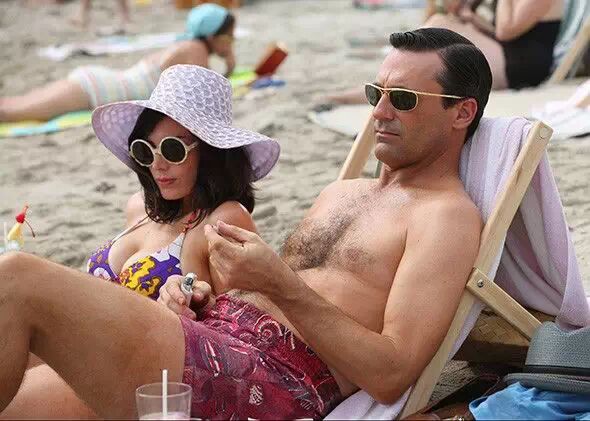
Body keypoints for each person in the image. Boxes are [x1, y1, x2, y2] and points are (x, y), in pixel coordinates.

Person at [0, 27, 489, 419]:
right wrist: (198, 297)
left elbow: (392, 374)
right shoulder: (341, 193)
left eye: (402, 98)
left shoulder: (446, 216)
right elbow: (275, 293)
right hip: (208, 338)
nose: (378, 111)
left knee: (17, 278)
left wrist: (279, 284)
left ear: (461, 112)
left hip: (270, 380)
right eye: (375, 93)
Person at [0, 64, 280, 419]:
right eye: (146, 151)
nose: (157, 165)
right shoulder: (139, 208)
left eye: (173, 150)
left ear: (210, 151)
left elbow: (243, 330)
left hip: (132, 371)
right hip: (83, 347)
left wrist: (193, 298)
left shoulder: (222, 219)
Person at [0, 3, 236, 123]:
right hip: (97, 90)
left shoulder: (186, 45)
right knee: (13, 112)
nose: (232, 41)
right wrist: (229, 62)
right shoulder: (195, 50)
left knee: (17, 104)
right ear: (212, 36)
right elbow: (206, 96)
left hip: (99, 83)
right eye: (229, 37)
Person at [424, 0, 564, 89]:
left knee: (438, 27)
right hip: (508, 53)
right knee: (439, 22)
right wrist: (471, 18)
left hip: (524, 66)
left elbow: (505, 31)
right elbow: (498, 32)